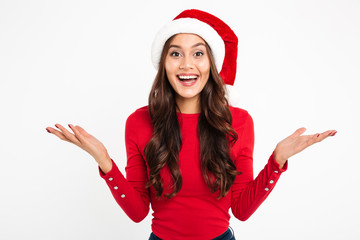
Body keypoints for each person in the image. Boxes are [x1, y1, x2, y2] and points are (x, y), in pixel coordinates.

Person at [45, 9, 337, 240]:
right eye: (176, 53)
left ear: (211, 63)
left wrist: (277, 161)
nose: (187, 64)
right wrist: (104, 161)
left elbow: (242, 210)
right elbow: (137, 212)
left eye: (198, 53)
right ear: (164, 64)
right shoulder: (139, 122)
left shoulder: (238, 122)